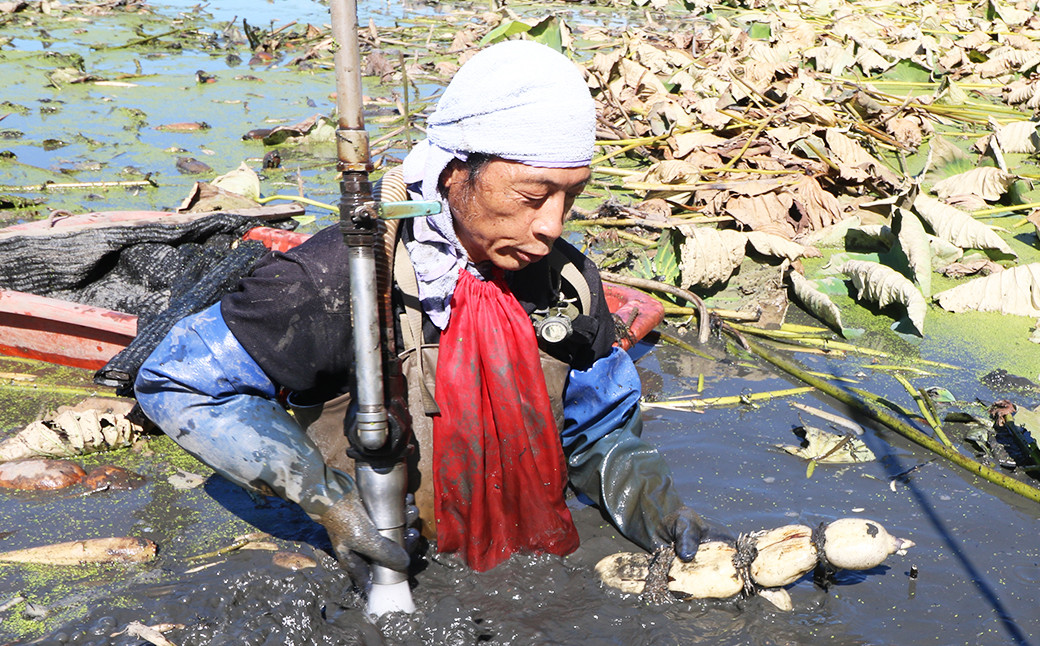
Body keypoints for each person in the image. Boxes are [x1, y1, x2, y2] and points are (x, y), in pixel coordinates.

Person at [134, 40, 713, 583]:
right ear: (455, 172)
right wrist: (325, 500)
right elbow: (178, 384)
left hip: (516, 554)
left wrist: (658, 513)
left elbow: (599, 432)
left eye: (572, 195)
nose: (552, 226)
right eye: (533, 196)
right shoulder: (345, 275)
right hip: (372, 553)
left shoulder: (565, 285)